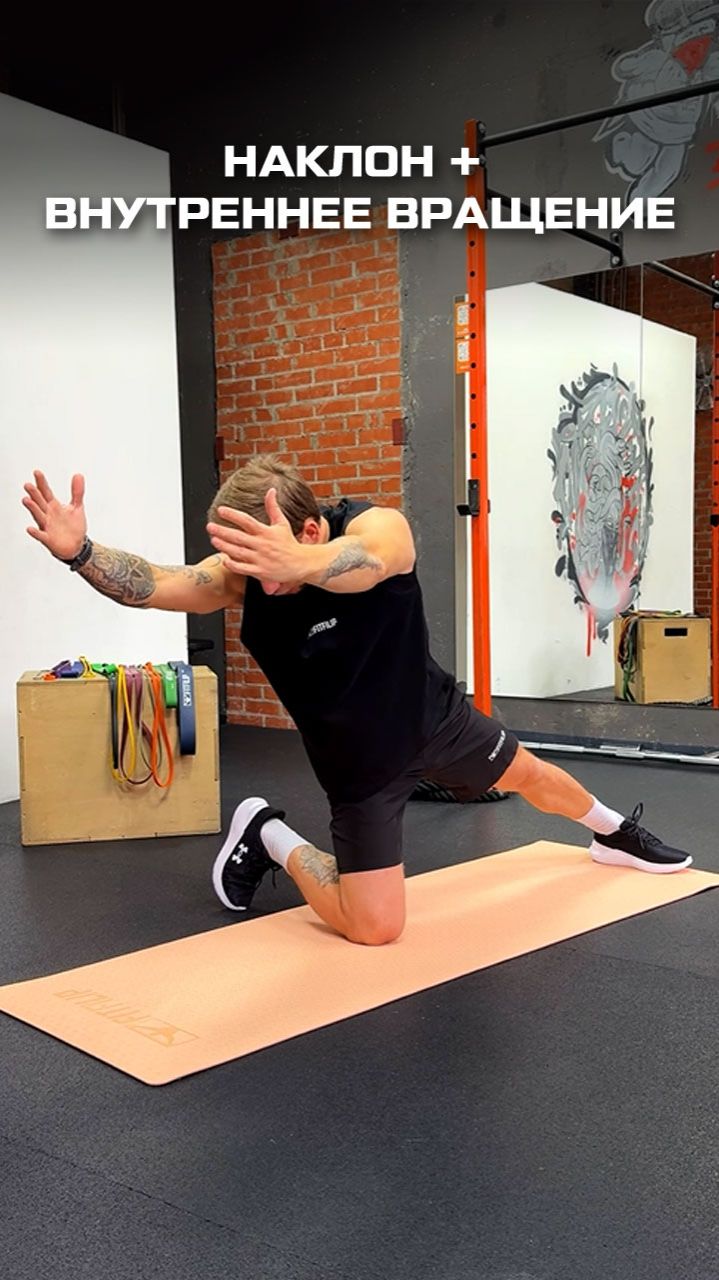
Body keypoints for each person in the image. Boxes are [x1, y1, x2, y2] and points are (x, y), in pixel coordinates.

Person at [22, 456, 692, 947]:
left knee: (534, 778)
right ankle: (269, 833)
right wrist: (80, 553)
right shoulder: (243, 578)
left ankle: (614, 834)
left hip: (435, 721)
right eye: (246, 563)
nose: (257, 581)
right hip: (357, 768)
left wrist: (300, 568)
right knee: (374, 928)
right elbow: (155, 583)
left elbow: (378, 559)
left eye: (268, 560)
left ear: (311, 529)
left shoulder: (374, 527)